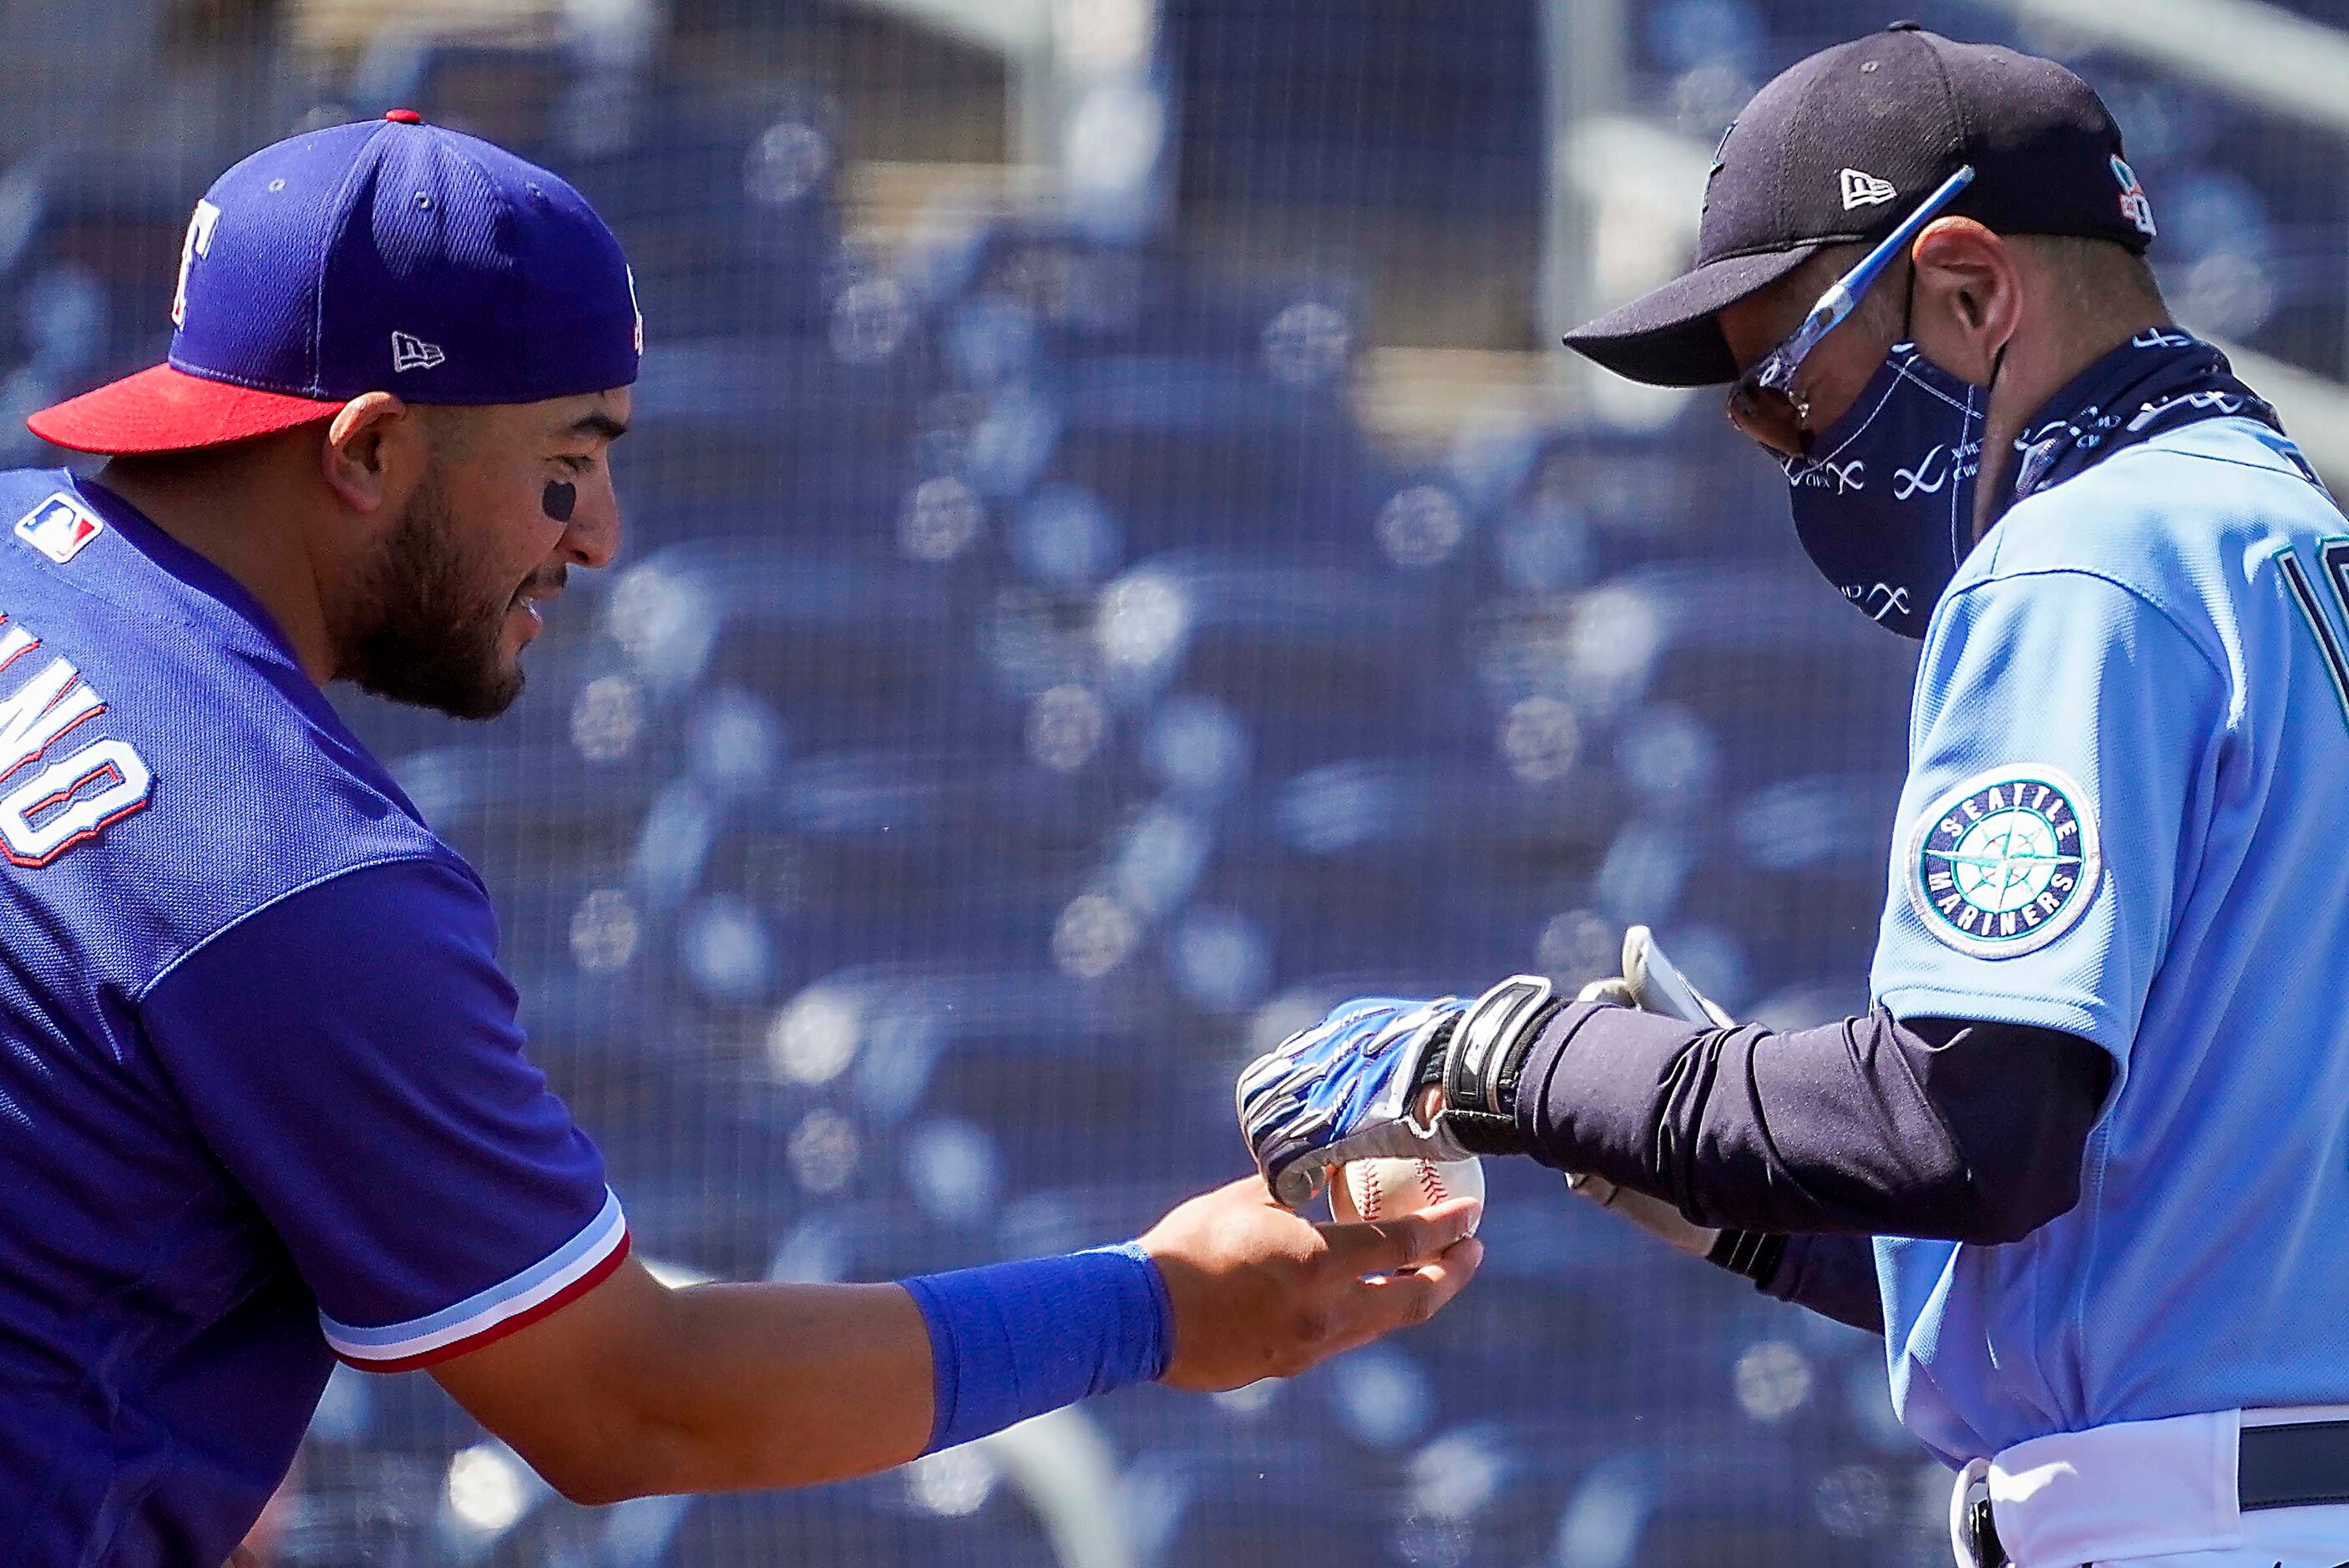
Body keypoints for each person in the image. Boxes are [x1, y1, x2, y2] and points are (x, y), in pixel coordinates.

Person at [0, 112, 1483, 1564]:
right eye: (567, 462)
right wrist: (1156, 1306)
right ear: (371, 449)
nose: (599, 535)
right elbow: (635, 1406)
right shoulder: (292, 874)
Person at [1236, 25, 2349, 1568]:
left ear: (1966, 289)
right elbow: (2138, 1210)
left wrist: (1506, 1053)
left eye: (1783, 383)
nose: (1777, 440)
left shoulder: (2083, 561)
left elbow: (1964, 1128)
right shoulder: (2276, 543)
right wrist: (1743, 1199)